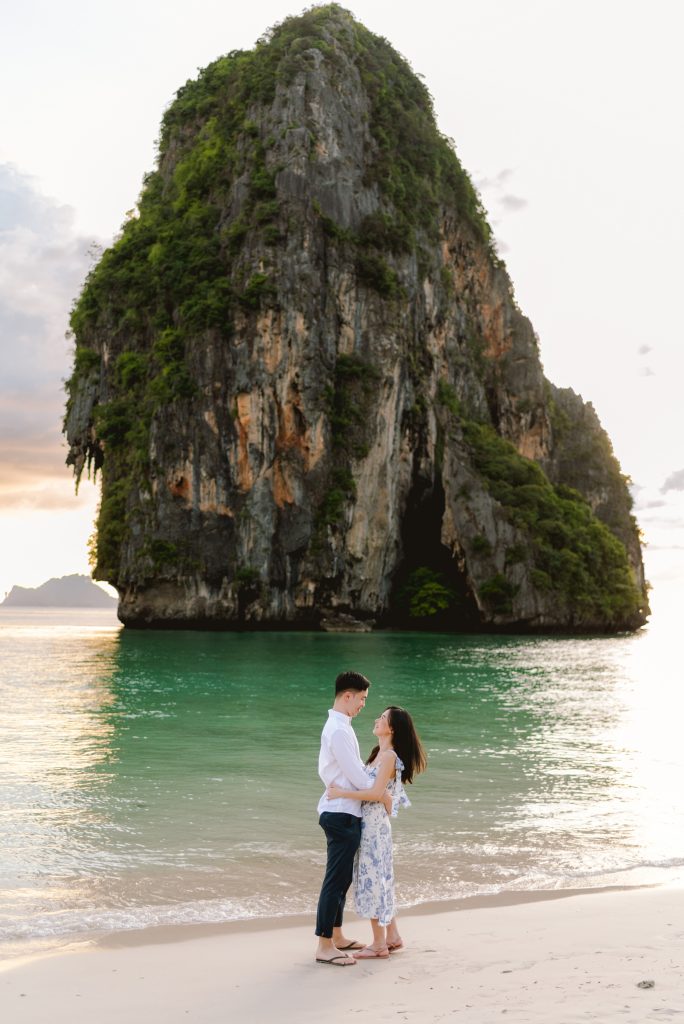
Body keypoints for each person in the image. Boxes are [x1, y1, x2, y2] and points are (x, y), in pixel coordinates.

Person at [326, 705, 427, 958]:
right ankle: (392, 936)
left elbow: (373, 793)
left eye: (382, 718)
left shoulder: (390, 756)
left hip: (374, 828)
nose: (376, 719)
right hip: (369, 823)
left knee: (373, 880)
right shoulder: (376, 755)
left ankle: (379, 944)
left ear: (391, 728)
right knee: (379, 877)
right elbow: (379, 793)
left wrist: (341, 793)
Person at [315, 671, 393, 967]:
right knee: (335, 880)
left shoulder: (342, 727)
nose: (363, 705)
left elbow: (352, 772)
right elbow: (359, 778)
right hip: (340, 813)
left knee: (342, 878)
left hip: (343, 810)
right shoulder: (338, 730)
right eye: (361, 699)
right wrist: (382, 792)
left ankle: (336, 935)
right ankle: (324, 945)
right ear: (347, 696)